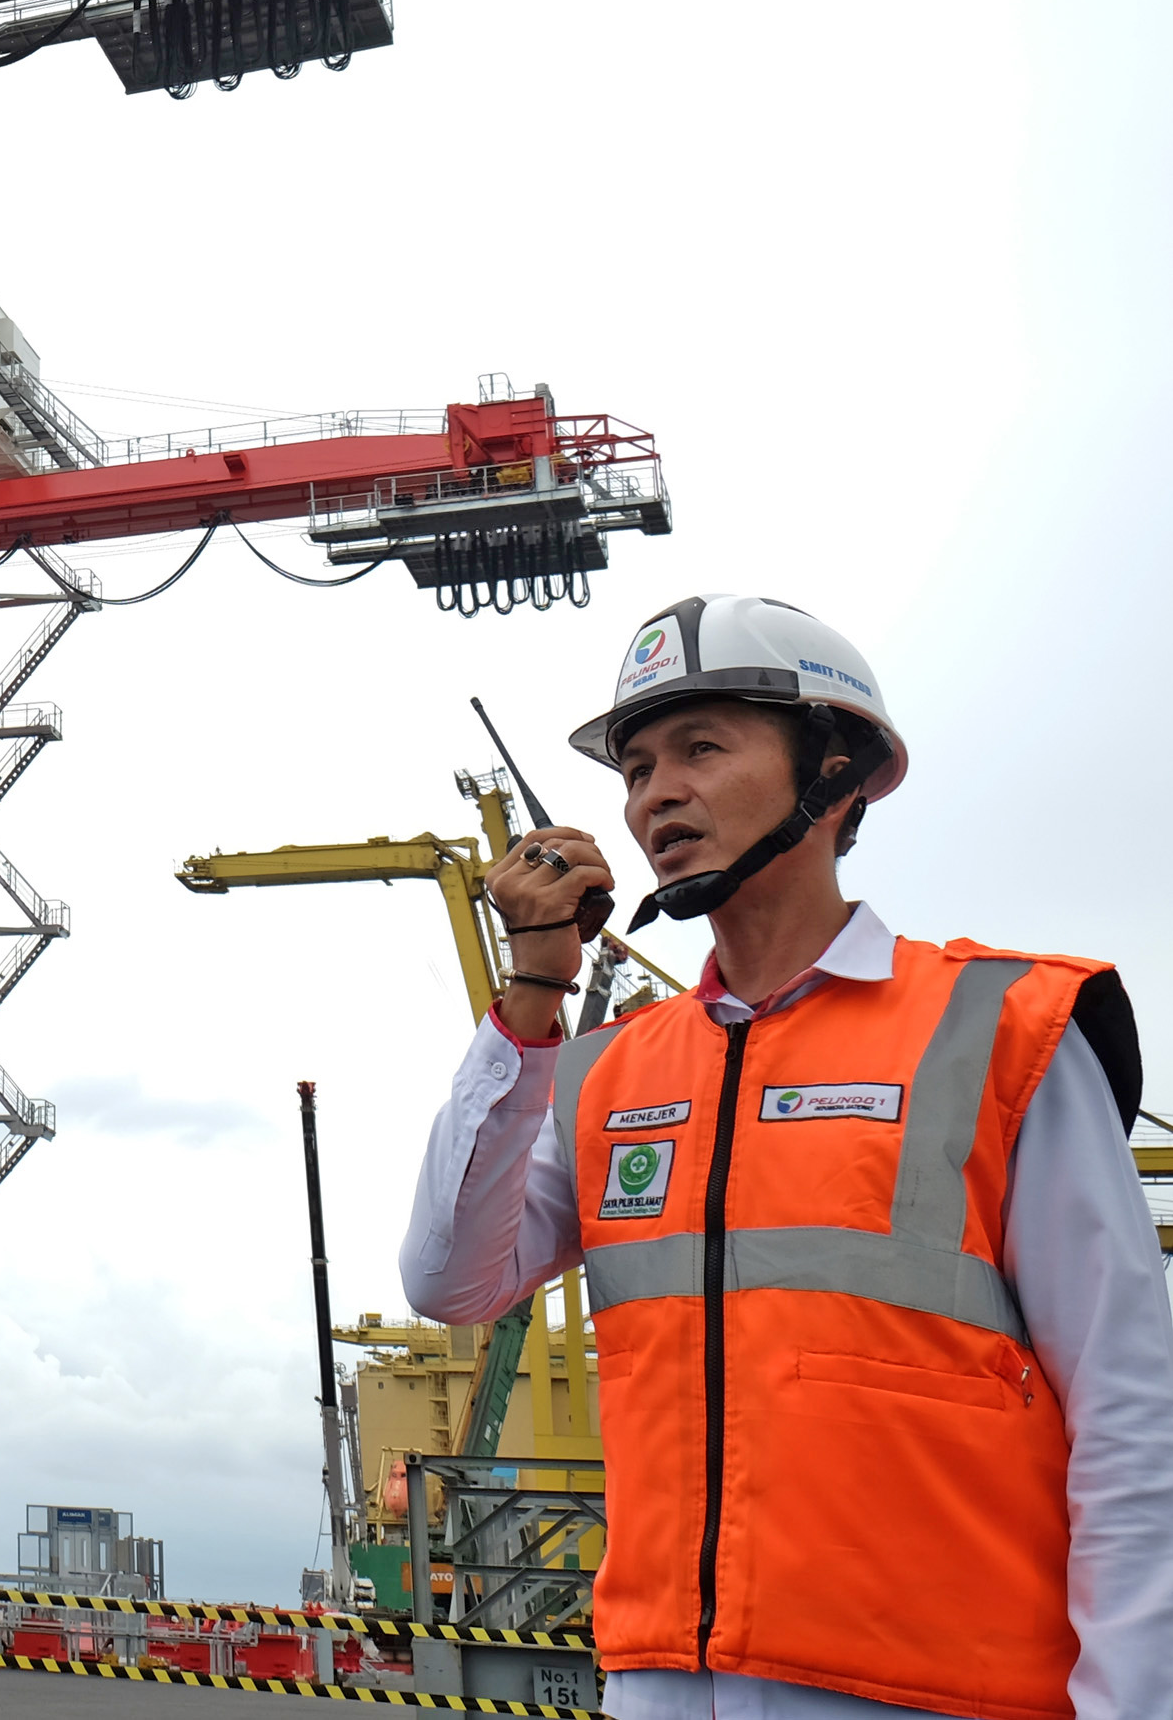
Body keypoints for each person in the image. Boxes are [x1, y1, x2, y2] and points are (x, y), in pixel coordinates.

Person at [401, 595, 1173, 1718]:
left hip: (934, 1691)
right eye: (635, 766)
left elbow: (1126, 1409)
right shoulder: (607, 1072)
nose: (653, 791)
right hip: (662, 1683)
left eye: (701, 747)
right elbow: (447, 1279)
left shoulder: (1001, 1028)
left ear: (836, 770)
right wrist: (531, 992)